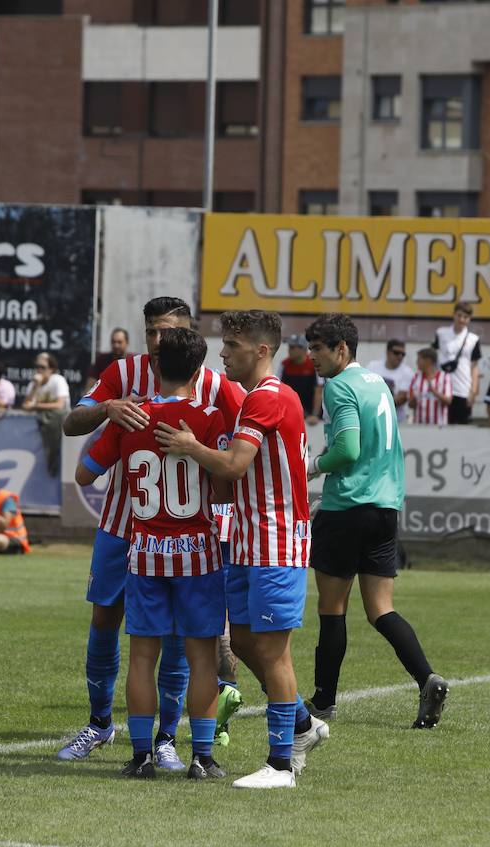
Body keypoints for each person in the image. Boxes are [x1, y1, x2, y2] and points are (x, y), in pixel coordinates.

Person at [56, 297, 245, 770]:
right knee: (106, 622)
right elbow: (69, 423)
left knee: (169, 642)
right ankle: (101, 724)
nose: (159, 342)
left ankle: (161, 739)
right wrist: (107, 410)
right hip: (125, 525)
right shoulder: (122, 375)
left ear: (187, 334)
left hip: (161, 534)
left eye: (168, 332)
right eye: (152, 332)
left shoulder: (217, 386)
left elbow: (248, 436)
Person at [156, 309, 323, 789]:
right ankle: (301, 726)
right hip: (249, 539)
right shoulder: (255, 400)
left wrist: (190, 445)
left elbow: (232, 465)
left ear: (262, 350)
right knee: (245, 643)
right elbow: (233, 481)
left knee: (272, 653)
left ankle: (280, 765)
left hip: (275, 541)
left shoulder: (270, 398)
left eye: (231, 346)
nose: (222, 354)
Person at [303, 313, 451, 730]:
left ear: (342, 349)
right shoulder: (376, 384)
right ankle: (428, 678)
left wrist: (311, 466)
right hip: (385, 508)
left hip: (348, 506)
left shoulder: (338, 386)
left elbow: (347, 449)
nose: (312, 356)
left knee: (332, 609)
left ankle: (323, 702)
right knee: (381, 609)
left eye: (319, 348)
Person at [431, 304, 481, 424]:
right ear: (453, 315)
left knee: (461, 428)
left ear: (469, 319)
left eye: (466, 317)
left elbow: (474, 367)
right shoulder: (441, 333)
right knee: (439, 425)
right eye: (459, 315)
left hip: (462, 389)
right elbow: (433, 358)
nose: (462, 320)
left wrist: (473, 392)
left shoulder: (473, 339)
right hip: (441, 389)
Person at [366, 338, 414, 420]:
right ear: (388, 352)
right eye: (396, 353)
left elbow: (402, 398)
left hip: (397, 421)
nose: (400, 356)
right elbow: (365, 390)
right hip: (374, 419)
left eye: (403, 354)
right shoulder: (373, 366)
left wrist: (376, 405)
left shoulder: (407, 372)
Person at [280, 334, 323, 424]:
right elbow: (279, 391)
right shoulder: (284, 364)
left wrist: (314, 415)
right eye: (289, 347)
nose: (289, 350)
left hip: (312, 413)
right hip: (292, 412)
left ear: (303, 349)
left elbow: (318, 390)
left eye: (292, 347)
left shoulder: (314, 364)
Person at [407, 347, 452, 427]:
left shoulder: (444, 377)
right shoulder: (416, 377)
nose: (417, 362)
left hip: (439, 427)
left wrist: (433, 391)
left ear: (428, 361)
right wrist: (414, 399)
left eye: (419, 359)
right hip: (419, 426)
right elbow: (410, 405)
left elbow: (448, 400)